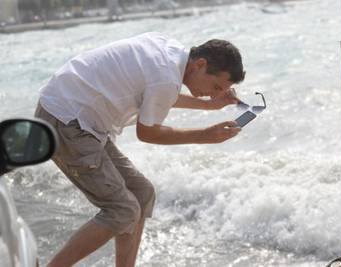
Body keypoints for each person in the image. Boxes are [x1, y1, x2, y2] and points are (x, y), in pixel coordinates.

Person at [34, 31, 245, 267]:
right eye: (216, 86)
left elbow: (159, 94)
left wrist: (208, 105)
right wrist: (205, 136)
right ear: (200, 64)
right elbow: (148, 132)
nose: (217, 93)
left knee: (142, 195)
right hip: (64, 120)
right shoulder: (166, 77)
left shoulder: (169, 52)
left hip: (74, 114)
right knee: (122, 210)